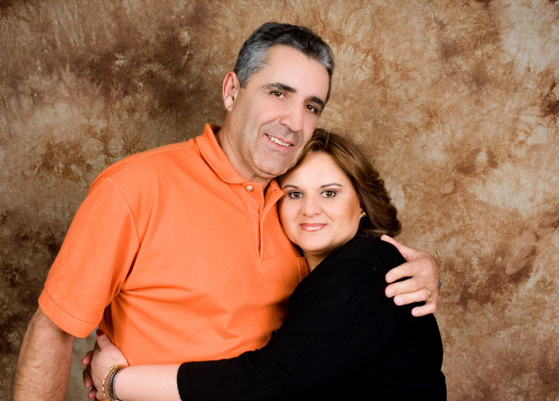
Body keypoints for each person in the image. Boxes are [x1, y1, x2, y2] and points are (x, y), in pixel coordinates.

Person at [13, 22, 440, 400]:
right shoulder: (135, 188)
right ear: (232, 91)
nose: (294, 122)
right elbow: (54, 329)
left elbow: (353, 291)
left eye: (311, 106)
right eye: (278, 93)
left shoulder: (293, 204)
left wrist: (424, 270)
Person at [86, 129, 446, 401]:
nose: (310, 209)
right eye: (295, 194)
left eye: (330, 192)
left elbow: (267, 384)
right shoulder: (329, 267)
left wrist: (116, 381)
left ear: (362, 204)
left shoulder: (360, 270)